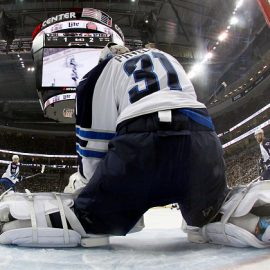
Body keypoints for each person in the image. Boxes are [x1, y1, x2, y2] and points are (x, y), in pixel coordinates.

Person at [1, 44, 270, 249]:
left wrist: (90, 193)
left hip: (142, 147)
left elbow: (94, 147)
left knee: (89, 222)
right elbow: (188, 109)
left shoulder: (99, 74)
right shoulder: (166, 57)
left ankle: (17, 220)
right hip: (202, 144)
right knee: (209, 213)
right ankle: (251, 221)